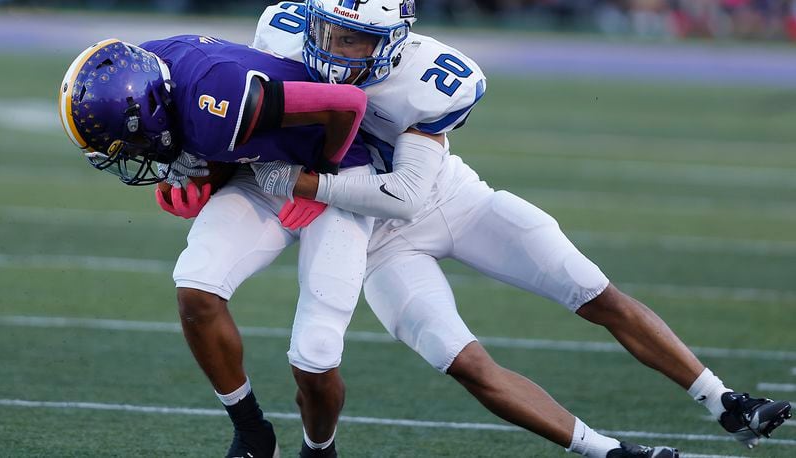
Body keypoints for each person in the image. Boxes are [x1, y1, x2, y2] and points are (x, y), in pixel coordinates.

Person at [248, 1, 792, 457]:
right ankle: (610, 453)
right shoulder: (283, 34)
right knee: (466, 363)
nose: (335, 51)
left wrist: (296, 182)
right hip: (374, 242)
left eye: (355, 42)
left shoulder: (429, 80)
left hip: (453, 200)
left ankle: (724, 401)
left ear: (392, 42)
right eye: (330, 34)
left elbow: (405, 194)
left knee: (596, 293)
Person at [58, 35, 376, 458]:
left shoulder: (217, 93)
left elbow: (347, 103)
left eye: (129, 143)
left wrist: (319, 180)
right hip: (264, 168)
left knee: (315, 354)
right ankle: (252, 434)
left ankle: (320, 449)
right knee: (196, 286)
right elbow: (220, 138)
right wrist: (204, 177)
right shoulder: (143, 70)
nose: (133, 155)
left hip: (338, 172)